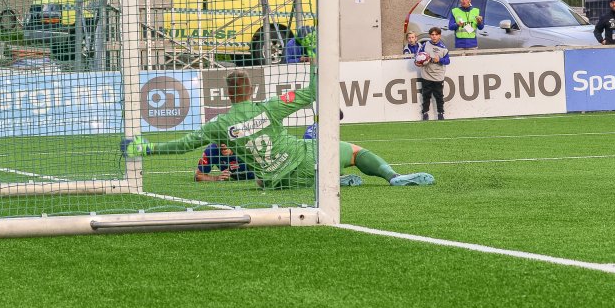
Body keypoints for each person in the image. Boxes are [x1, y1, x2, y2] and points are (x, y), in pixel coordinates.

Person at [123, 38, 433, 188]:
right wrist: (313, 56)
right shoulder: (269, 107)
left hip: (273, 181)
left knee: (262, 180)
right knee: (353, 151)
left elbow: (183, 145)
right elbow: (313, 91)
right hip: (302, 160)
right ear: (251, 90)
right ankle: (392, 177)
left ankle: (332, 180)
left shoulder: (218, 125)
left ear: (227, 96)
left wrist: (147, 148)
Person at [416, 26, 451, 121]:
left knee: (439, 96)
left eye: (436, 34)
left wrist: (440, 60)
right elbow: (418, 56)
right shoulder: (425, 45)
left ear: (439, 36)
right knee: (426, 95)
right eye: (432, 34)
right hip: (426, 75)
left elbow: (448, 61)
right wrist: (418, 62)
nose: (434, 36)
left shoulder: (443, 48)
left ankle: (440, 113)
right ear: (430, 35)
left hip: (438, 76)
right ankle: (425, 113)